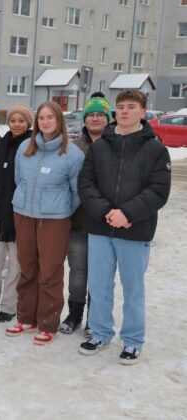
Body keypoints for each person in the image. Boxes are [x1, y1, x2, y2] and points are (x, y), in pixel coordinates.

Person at [78, 89, 171, 364]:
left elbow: (158, 191)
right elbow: (86, 184)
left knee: (133, 289)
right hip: (100, 227)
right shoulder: (99, 146)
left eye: (131, 106)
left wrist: (127, 213)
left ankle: (132, 340)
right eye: (120, 107)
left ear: (143, 112)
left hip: (135, 229)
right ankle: (100, 332)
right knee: (99, 285)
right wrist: (107, 212)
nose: (125, 111)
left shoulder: (155, 148)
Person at [5, 101, 84, 345]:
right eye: (41, 118)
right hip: (24, 215)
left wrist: (58, 210)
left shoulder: (73, 154)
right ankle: (26, 318)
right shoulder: (25, 149)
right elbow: (19, 180)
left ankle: (48, 323)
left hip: (54, 221)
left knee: (50, 271)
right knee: (27, 268)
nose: (45, 122)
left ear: (59, 120)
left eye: (50, 117)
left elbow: (76, 192)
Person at [59, 96, 112, 336]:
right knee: (78, 270)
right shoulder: (74, 147)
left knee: (101, 274)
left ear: (108, 118)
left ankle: (95, 318)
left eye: (100, 114)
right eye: (91, 114)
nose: (95, 118)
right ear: (85, 119)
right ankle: (75, 314)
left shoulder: (116, 144)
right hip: (78, 220)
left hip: (106, 222)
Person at [0, 103, 33, 322]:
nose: (17, 124)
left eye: (21, 120)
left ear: (28, 123)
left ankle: (9, 306)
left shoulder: (32, 148)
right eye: (13, 120)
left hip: (21, 217)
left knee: (16, 263)